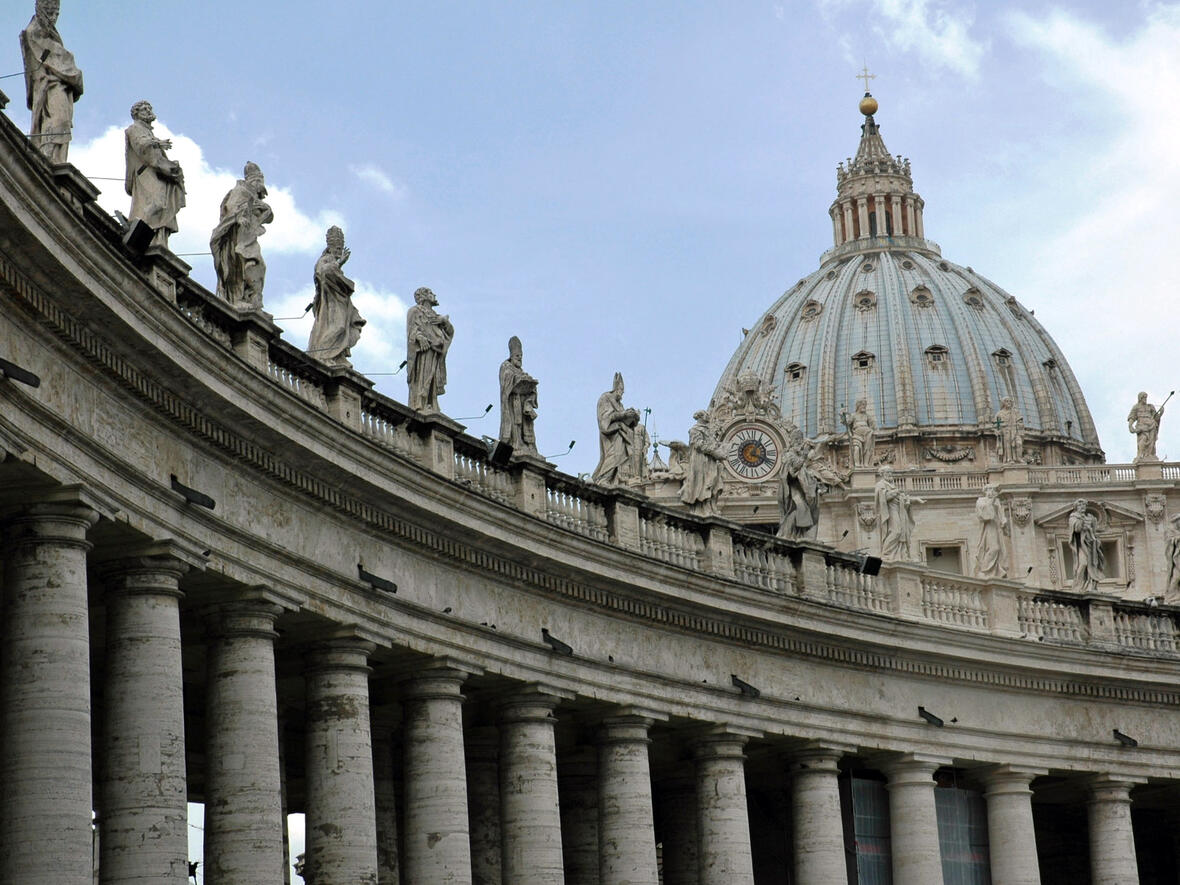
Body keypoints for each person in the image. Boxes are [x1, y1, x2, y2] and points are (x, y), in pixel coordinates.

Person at [20, 0, 83, 164]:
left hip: (59, 85)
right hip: (49, 86)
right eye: (50, 13)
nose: (54, 17)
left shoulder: (48, 32)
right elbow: (58, 59)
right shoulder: (34, 31)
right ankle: (48, 157)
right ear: (41, 10)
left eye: (56, 13)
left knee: (63, 123)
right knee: (58, 120)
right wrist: (73, 70)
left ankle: (55, 158)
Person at [209, 162, 272, 308]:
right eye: (260, 185)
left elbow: (269, 215)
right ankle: (238, 298)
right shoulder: (240, 191)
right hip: (235, 239)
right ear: (255, 181)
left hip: (248, 238)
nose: (261, 191)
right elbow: (231, 208)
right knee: (241, 265)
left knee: (258, 266)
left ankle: (251, 298)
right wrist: (238, 218)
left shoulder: (252, 196)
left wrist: (263, 210)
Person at [124, 101, 185, 248]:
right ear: (136, 114)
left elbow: (154, 154)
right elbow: (142, 147)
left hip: (156, 173)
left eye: (149, 108)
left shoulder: (148, 132)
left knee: (163, 206)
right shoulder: (134, 129)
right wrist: (157, 144)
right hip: (146, 173)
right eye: (144, 109)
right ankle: (138, 235)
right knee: (155, 203)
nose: (148, 110)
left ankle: (158, 240)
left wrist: (171, 167)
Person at [308, 226, 365, 365]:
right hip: (330, 302)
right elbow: (324, 272)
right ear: (330, 247)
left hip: (340, 301)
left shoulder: (332, 262)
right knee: (338, 327)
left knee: (343, 328)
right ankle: (323, 355)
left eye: (341, 249)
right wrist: (340, 263)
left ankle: (335, 356)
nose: (339, 252)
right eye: (338, 249)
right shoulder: (325, 259)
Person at [405, 287, 454, 413]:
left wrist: (444, 322)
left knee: (432, 376)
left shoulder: (436, 316)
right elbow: (411, 331)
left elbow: (450, 332)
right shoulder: (414, 311)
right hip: (423, 350)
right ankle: (420, 403)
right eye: (431, 293)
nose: (434, 295)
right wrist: (420, 338)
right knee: (423, 376)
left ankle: (431, 404)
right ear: (423, 296)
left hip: (436, 351)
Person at [592, 373, 641, 487]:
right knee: (613, 456)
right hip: (611, 433)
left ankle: (614, 479)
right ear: (616, 389)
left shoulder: (620, 404)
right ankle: (603, 479)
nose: (622, 394)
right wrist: (623, 414)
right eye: (621, 391)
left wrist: (633, 418)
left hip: (621, 434)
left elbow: (625, 421)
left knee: (619, 457)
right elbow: (605, 418)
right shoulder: (605, 398)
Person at [679, 410, 725, 515]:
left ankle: (710, 506)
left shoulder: (708, 430)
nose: (708, 416)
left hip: (710, 460)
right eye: (706, 415)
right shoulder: (694, 430)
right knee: (704, 482)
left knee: (712, 482)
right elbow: (698, 445)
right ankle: (703, 508)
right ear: (700, 417)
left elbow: (711, 443)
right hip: (701, 460)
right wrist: (715, 452)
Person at [498, 336, 539, 456]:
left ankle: (527, 447)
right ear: (511, 355)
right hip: (512, 402)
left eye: (521, 356)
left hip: (522, 402)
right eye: (517, 356)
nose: (520, 358)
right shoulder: (506, 366)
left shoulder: (521, 370)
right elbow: (506, 382)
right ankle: (516, 445)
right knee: (515, 425)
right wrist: (517, 379)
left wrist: (530, 383)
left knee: (525, 425)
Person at [875, 466, 924, 561]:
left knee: (902, 532)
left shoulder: (892, 485)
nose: (890, 474)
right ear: (882, 474)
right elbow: (884, 498)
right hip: (891, 511)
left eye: (891, 472)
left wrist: (916, 500)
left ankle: (903, 555)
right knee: (896, 531)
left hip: (900, 511)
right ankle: (886, 554)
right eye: (888, 472)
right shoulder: (881, 484)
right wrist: (896, 492)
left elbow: (903, 498)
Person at [777, 440, 821, 540]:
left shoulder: (797, 455)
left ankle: (798, 534)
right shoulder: (789, 455)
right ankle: (788, 534)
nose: (800, 446)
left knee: (803, 510)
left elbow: (801, 470)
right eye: (798, 443)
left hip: (799, 488)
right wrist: (804, 456)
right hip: (792, 489)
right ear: (794, 443)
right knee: (799, 509)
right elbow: (790, 472)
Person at [1069, 499, 1104, 594]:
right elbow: (1076, 528)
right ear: (1076, 507)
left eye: (1084, 505)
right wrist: (1083, 523)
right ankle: (1077, 586)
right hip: (1081, 545)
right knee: (1083, 563)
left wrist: (1092, 523)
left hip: (1091, 544)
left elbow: (1094, 529)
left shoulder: (1089, 517)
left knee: (1093, 564)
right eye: (1080, 506)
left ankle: (1089, 585)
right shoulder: (1073, 517)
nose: (1083, 507)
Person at [973, 484, 1008, 578]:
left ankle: (996, 571)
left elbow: (1001, 513)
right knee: (994, 548)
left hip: (997, 527)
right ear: (985, 491)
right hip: (989, 527)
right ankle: (985, 570)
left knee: (1000, 549)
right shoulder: (981, 501)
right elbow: (983, 515)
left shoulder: (997, 501)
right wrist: (991, 501)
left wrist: (1004, 520)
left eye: (992, 490)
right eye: (989, 489)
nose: (991, 492)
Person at [1127, 391, 1165, 462]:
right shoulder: (1136, 407)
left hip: (1151, 425)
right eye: (1144, 397)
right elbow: (1132, 417)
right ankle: (1140, 455)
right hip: (1142, 426)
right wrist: (1130, 426)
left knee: (1151, 442)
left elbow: (1156, 418)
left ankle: (1150, 455)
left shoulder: (1150, 407)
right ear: (1140, 398)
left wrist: (1161, 413)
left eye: (1146, 397)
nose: (1145, 399)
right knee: (1143, 440)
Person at [847, 398, 877, 467]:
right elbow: (847, 423)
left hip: (867, 434)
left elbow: (873, 425)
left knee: (867, 449)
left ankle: (866, 464)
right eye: (862, 405)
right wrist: (843, 417)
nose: (864, 407)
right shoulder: (853, 415)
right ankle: (857, 464)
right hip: (856, 435)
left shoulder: (867, 416)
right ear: (858, 406)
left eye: (865, 405)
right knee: (856, 448)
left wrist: (872, 431)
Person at [994, 396, 1024, 464]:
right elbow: (996, 425)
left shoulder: (1015, 412)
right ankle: (1009, 459)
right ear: (1003, 403)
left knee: (1019, 443)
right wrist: (998, 431)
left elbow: (1020, 421)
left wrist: (1019, 425)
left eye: (1010, 401)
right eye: (1007, 401)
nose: (1009, 403)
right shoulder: (999, 414)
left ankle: (1018, 458)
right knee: (1007, 445)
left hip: (1015, 431)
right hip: (1005, 432)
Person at [1166, 514, 1180, 604]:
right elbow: (1169, 546)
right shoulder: (1172, 533)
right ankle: (1171, 598)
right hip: (1177, 559)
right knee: (1176, 577)